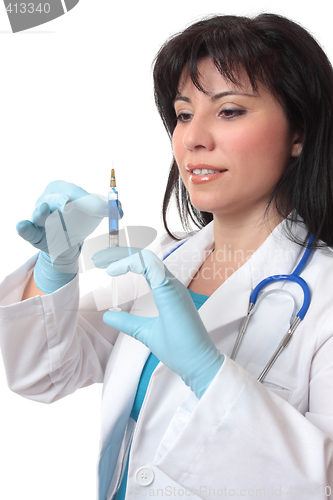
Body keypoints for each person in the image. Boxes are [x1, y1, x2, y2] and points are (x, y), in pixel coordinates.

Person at [0, 12, 332, 499]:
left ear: (298, 132)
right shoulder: (159, 266)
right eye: (182, 113)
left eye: (230, 110)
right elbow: (44, 375)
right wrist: (56, 267)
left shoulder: (323, 297)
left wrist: (209, 374)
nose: (193, 137)